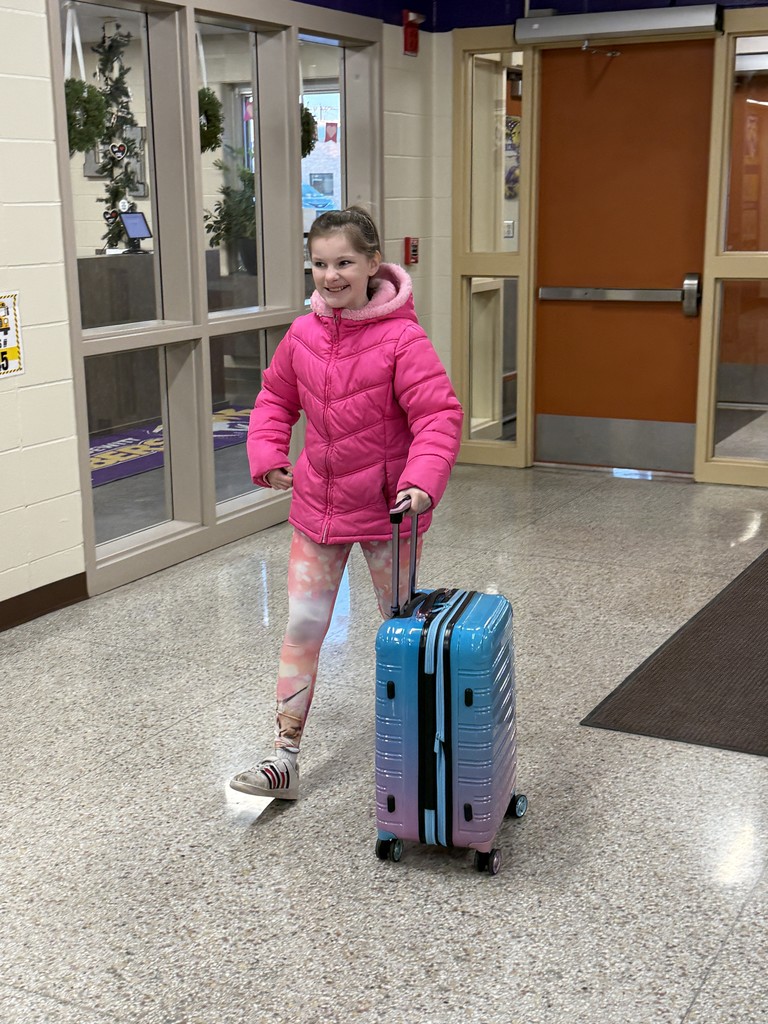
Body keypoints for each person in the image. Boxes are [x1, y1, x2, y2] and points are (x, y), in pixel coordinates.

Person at [230, 206, 463, 801]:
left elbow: (437, 414)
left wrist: (422, 481)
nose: (331, 276)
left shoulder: (402, 339)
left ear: (372, 264)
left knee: (400, 630)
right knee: (304, 625)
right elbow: (274, 398)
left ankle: (420, 748)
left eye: (344, 263)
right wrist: (268, 452)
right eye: (319, 264)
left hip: (389, 514)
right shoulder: (302, 334)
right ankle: (284, 755)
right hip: (317, 509)